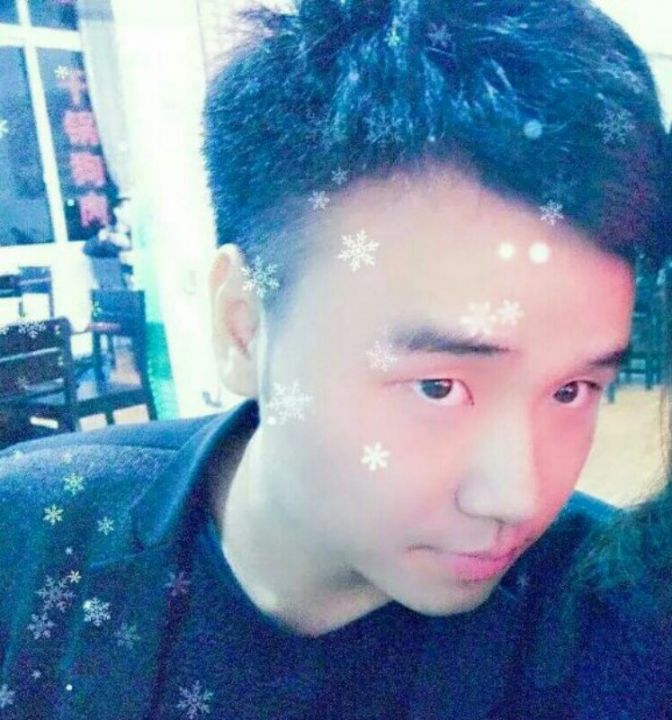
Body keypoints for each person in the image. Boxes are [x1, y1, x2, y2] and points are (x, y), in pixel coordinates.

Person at [0, 1, 668, 718]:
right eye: (439, 386)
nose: (519, 496)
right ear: (243, 326)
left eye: (573, 390)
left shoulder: (615, 620)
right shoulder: (30, 537)